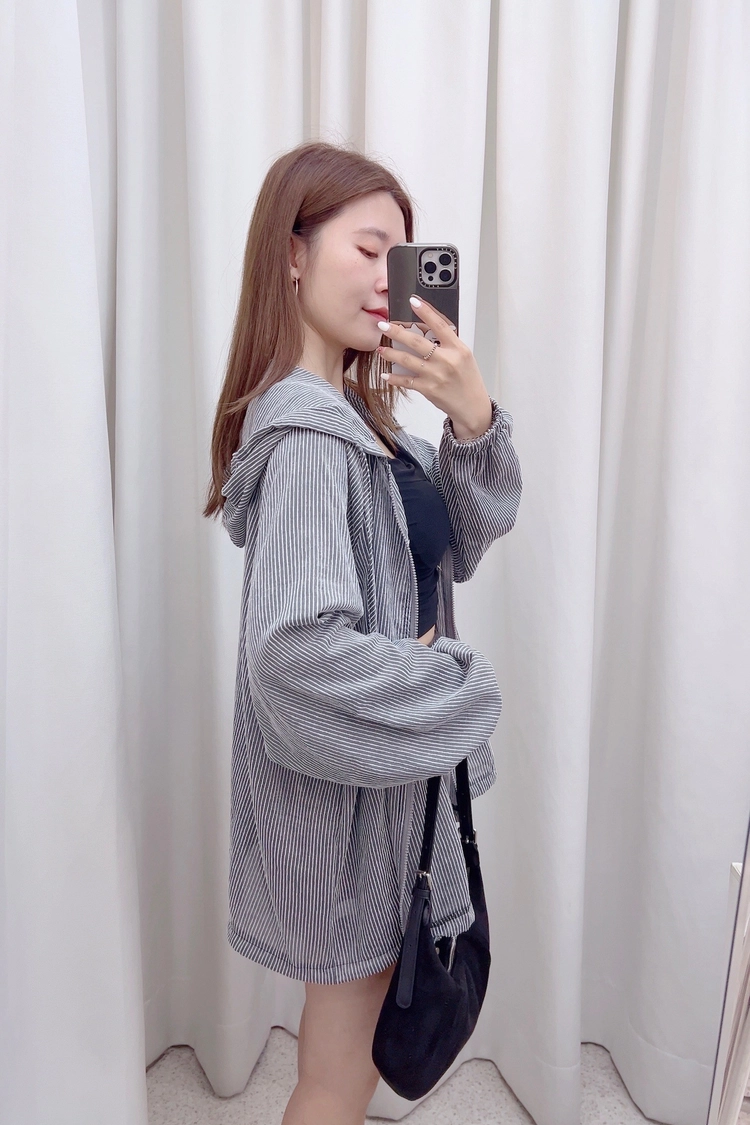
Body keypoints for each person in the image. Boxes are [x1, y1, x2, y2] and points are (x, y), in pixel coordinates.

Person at [203, 140, 523, 1125]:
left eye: (403, 256)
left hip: (385, 798)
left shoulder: (365, 425)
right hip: (349, 822)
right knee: (339, 1078)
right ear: (292, 255)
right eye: (369, 248)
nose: (391, 278)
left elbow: (456, 542)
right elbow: (295, 657)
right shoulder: (309, 438)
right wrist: (457, 684)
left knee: (343, 1061)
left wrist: (470, 418)